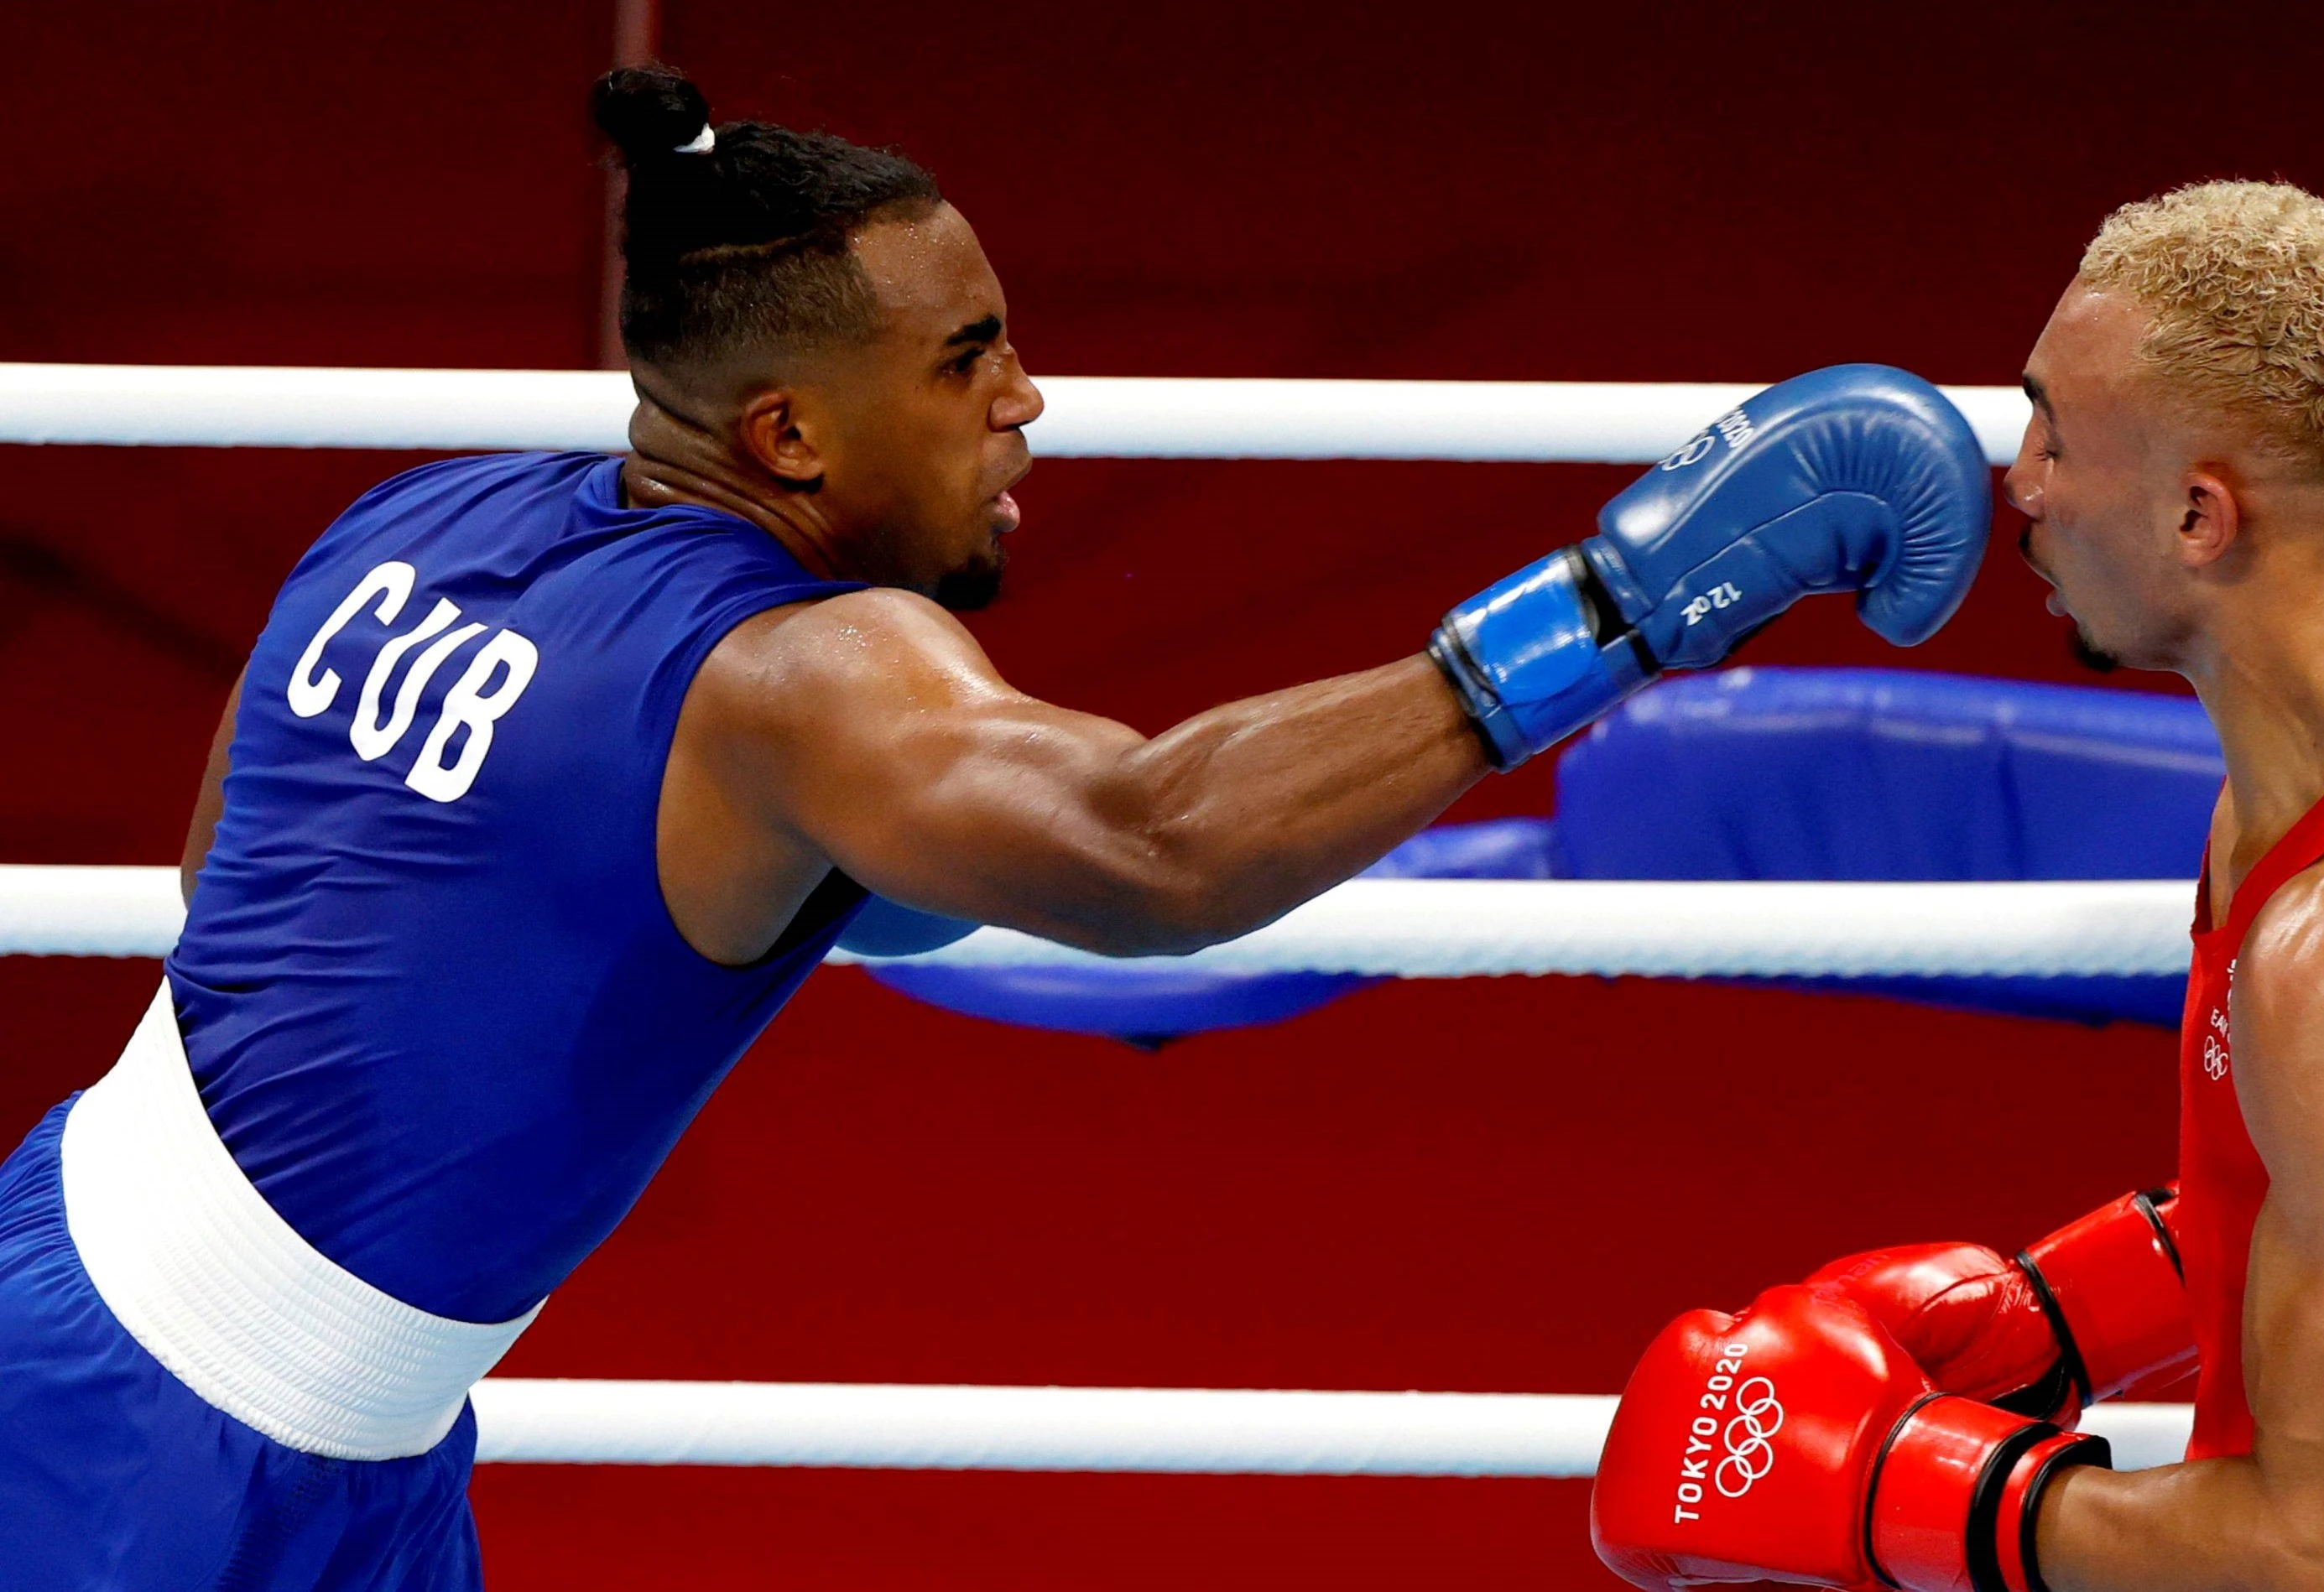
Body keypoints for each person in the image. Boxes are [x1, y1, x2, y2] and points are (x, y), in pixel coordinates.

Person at [0, 65, 1992, 1589]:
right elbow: (1147, 846)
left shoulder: (419, 517)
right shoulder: (801, 678)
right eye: (967, 366)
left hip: (167, 1336)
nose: (1028, 402)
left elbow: (226, 888)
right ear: (787, 435)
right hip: (164, 1450)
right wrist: (1612, 611)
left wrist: (679, 880)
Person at [1590, 180, 2324, 1592]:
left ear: (2198, 516)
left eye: (2056, 434)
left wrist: (1906, 1492)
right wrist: (2056, 1313)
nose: (2021, 482)